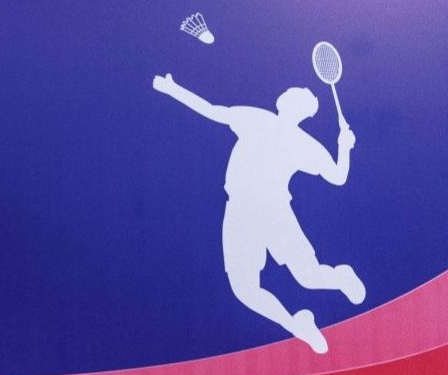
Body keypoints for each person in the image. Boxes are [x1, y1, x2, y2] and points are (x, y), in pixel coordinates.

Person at [153, 72, 364, 354]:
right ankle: (297, 325)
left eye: (296, 93)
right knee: (244, 288)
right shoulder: (255, 118)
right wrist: (173, 89)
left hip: (274, 211)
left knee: (308, 277)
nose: (288, 91)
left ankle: (341, 278)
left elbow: (337, 176)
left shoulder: (304, 143)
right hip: (240, 211)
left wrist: (344, 147)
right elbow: (212, 110)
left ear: (299, 108)